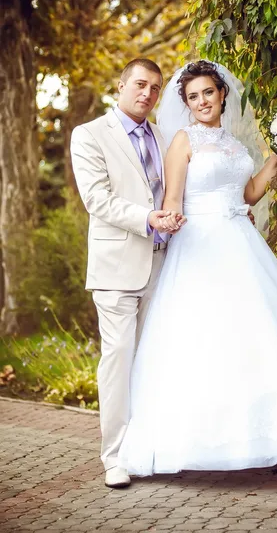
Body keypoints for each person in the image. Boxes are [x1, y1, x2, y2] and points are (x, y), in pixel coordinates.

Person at [117, 60, 277, 476]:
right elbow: (173, 199)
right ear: (186, 103)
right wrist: (174, 222)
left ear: (222, 95)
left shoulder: (236, 144)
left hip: (240, 239)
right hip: (200, 243)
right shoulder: (183, 141)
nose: (202, 101)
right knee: (205, 336)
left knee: (259, 333)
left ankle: (274, 436)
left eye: (208, 93)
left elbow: (249, 193)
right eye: (192, 96)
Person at [70, 58, 187, 488]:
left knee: (154, 359)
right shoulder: (89, 135)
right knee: (118, 360)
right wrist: (148, 219)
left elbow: (177, 194)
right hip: (118, 267)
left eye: (155, 88)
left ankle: (151, 447)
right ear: (120, 85)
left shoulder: (164, 137)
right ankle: (115, 457)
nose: (147, 94)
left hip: (165, 265)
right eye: (140, 84)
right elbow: (96, 199)